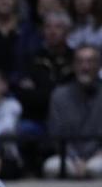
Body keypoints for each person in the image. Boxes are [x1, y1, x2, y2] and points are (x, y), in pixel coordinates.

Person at [43, 45, 102, 179]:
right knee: (51, 166)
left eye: (90, 61)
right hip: (68, 157)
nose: (85, 67)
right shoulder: (59, 95)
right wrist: (76, 160)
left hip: (99, 156)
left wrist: (96, 156)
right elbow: (56, 134)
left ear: (99, 66)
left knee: (96, 168)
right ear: (74, 66)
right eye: (80, 62)